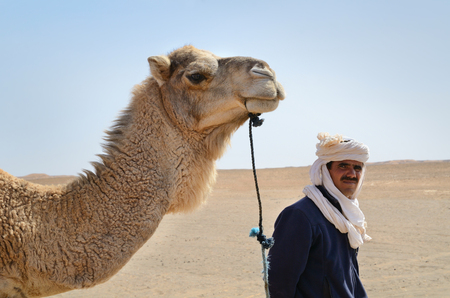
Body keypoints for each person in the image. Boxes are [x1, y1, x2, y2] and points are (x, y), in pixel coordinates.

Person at [268, 132, 371, 298]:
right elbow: (279, 282)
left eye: (357, 168)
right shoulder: (300, 216)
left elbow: (348, 280)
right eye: (343, 166)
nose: (352, 174)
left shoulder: (347, 216)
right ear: (326, 169)